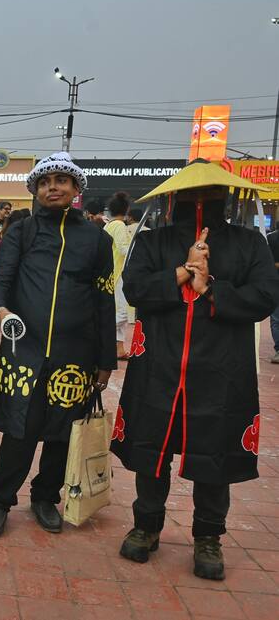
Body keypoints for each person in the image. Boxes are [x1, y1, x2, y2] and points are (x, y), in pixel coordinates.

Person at [112, 164, 279, 581]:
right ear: (175, 196)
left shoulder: (249, 243)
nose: (199, 202)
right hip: (159, 366)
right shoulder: (153, 242)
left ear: (225, 196)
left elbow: (264, 298)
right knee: (151, 450)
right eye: (192, 193)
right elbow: (134, 289)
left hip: (220, 370)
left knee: (213, 453)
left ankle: (209, 536)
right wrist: (183, 272)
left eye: (210, 193)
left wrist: (210, 289)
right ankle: (146, 525)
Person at [0, 152, 116, 539]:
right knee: (19, 431)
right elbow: (1, 281)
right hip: (25, 348)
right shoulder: (21, 231)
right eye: (44, 182)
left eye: (61, 181)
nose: (52, 187)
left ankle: (44, 498)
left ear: (76, 189)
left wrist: (105, 360)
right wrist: (2, 311)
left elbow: (104, 300)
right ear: (35, 190)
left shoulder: (96, 239)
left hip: (77, 354)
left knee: (62, 432)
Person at [103, 192, 133, 358]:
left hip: (110, 272)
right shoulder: (120, 226)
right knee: (121, 313)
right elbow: (124, 249)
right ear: (126, 210)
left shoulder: (108, 226)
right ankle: (100, 334)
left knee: (118, 310)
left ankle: (119, 349)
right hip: (119, 274)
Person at [267, 227, 279, 363]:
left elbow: (269, 262)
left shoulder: (271, 238)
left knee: (276, 318)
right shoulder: (272, 238)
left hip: (275, 281)